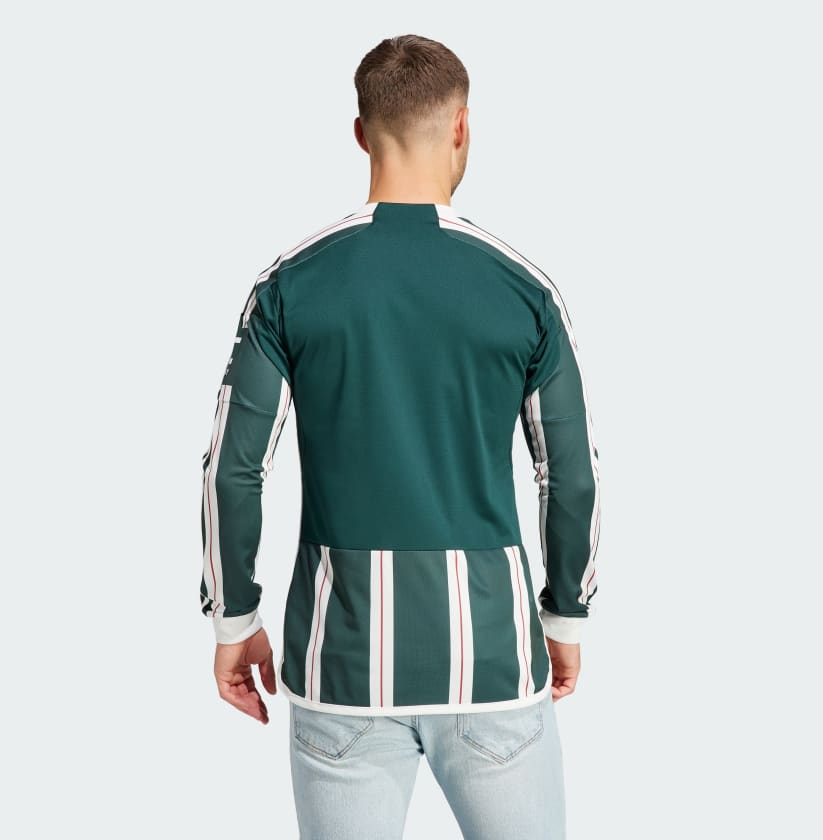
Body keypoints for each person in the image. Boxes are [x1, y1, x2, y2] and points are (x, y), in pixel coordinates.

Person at [199, 33, 601, 840]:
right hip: (492, 663)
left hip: (341, 670)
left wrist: (234, 620)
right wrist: (564, 618)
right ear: (462, 126)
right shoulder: (524, 288)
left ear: (360, 134)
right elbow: (571, 476)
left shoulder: (290, 284)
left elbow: (230, 473)